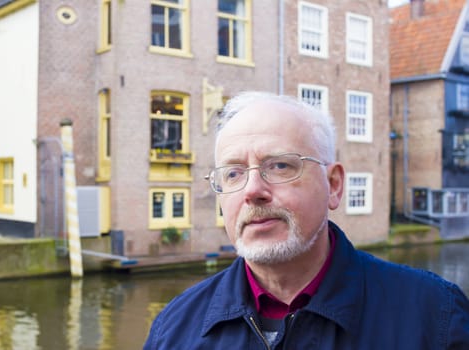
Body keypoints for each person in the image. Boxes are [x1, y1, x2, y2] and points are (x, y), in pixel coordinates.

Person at [144, 91, 469, 349]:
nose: (253, 190)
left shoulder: (435, 317)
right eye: (233, 173)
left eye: (280, 166)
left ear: (334, 185)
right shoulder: (172, 331)